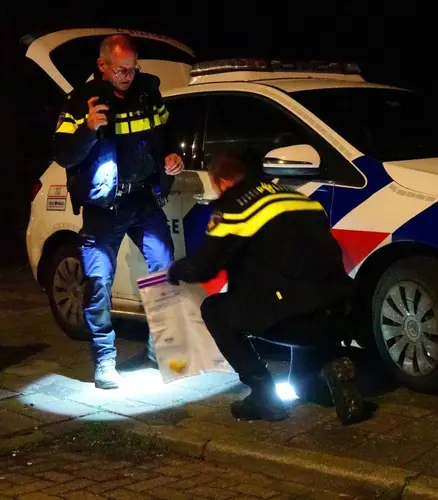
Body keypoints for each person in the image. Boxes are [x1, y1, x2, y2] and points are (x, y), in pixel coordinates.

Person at [167, 155, 371, 426]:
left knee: (215, 310)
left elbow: (205, 267)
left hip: (292, 317)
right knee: (301, 384)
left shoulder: (236, 204)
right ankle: (332, 365)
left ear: (223, 181)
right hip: (339, 312)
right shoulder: (298, 197)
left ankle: (262, 392)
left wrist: (175, 271)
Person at [52, 34, 185, 389]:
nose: (128, 75)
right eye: (122, 70)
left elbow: (166, 132)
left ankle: (161, 351)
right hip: (104, 207)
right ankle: (105, 361)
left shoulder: (147, 93)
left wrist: (172, 156)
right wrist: (87, 129)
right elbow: (63, 153)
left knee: (163, 269)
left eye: (132, 68)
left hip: (143, 199)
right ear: (103, 66)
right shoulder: (81, 101)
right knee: (98, 281)